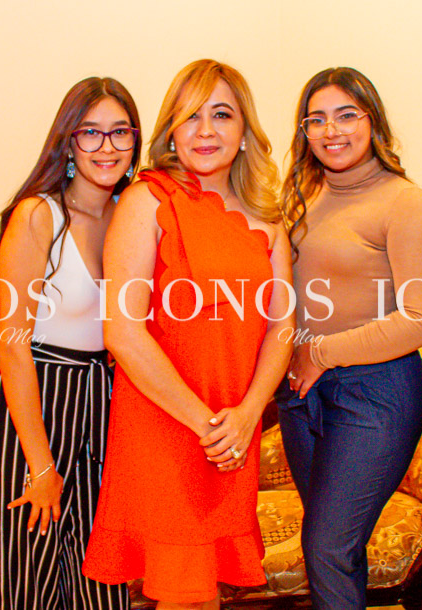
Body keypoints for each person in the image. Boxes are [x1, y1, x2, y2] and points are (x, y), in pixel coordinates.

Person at [81, 59, 294, 609]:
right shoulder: (147, 200)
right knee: (183, 593)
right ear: (171, 130)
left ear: (244, 130)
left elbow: (282, 326)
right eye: (190, 115)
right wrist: (207, 425)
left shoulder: (269, 218)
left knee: (208, 592)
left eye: (221, 115)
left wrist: (247, 415)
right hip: (167, 426)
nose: (205, 130)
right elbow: (122, 332)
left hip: (235, 428)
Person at [277, 67, 422, 609]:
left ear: (373, 120)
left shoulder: (404, 202)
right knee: (329, 545)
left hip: (375, 393)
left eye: (347, 115)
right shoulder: (301, 196)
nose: (332, 130)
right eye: (317, 119)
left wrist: (321, 353)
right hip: (300, 393)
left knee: (328, 546)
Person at [0, 77, 139, 610]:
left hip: (100, 395)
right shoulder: (38, 215)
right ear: (68, 142)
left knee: (103, 571)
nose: (107, 146)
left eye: (121, 132)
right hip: (31, 396)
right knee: (36, 573)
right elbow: (12, 345)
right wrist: (41, 464)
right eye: (91, 132)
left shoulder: (132, 214)